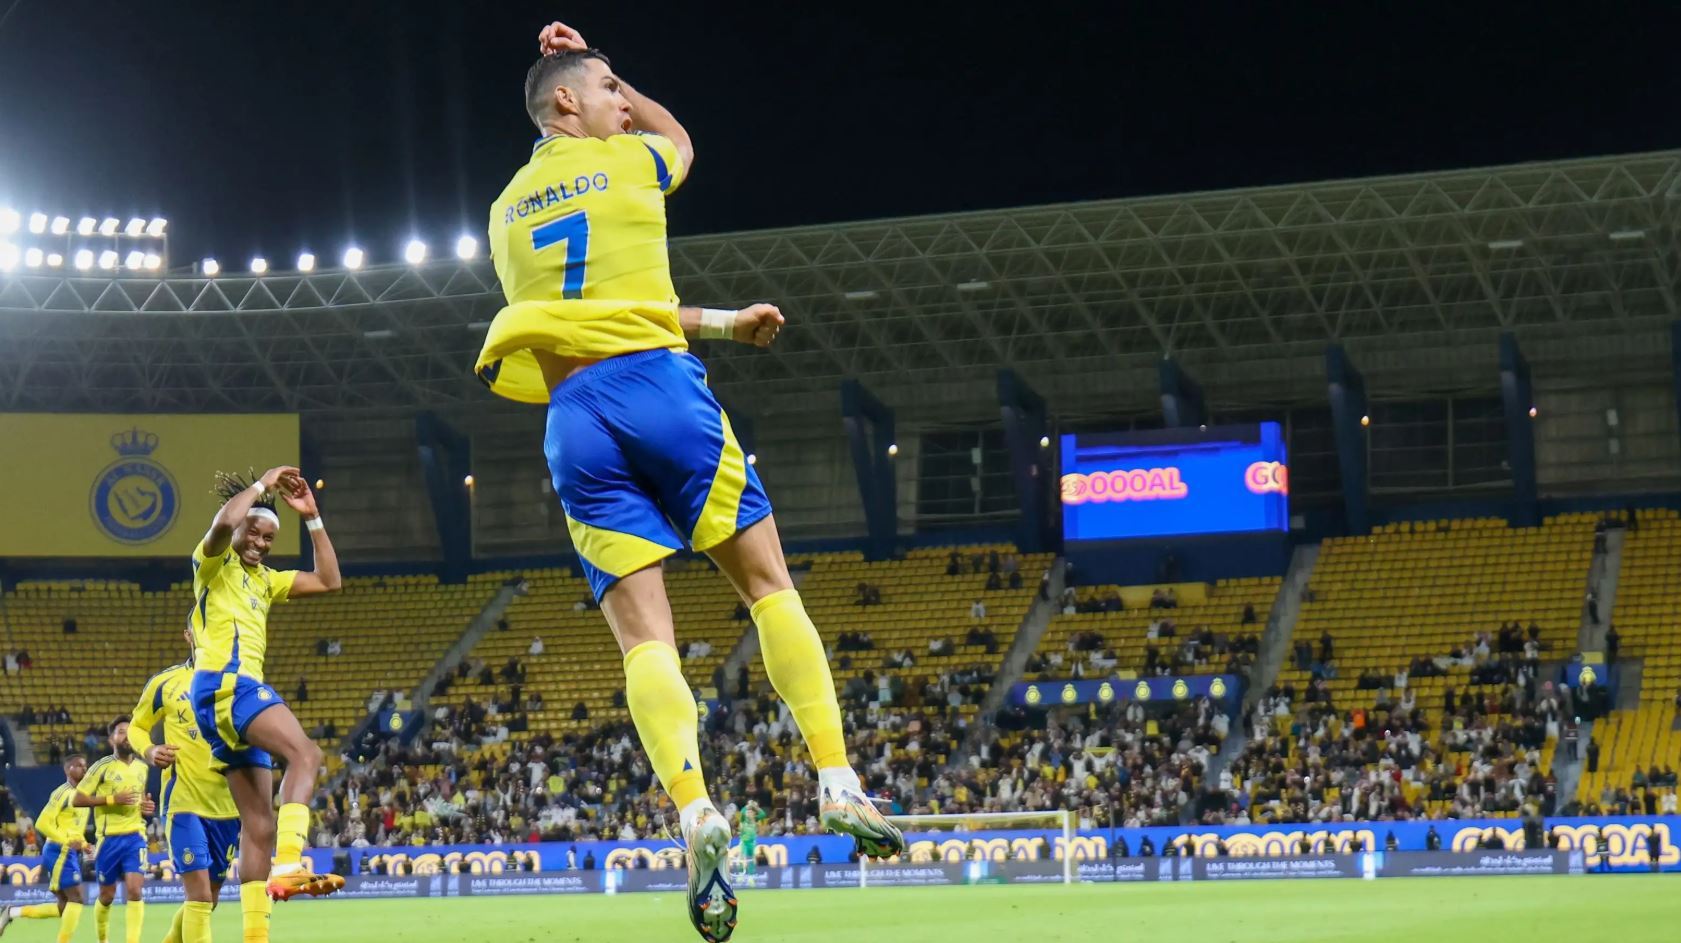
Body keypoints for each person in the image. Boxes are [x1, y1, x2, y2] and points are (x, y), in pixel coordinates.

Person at [472, 21, 901, 941]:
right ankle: (836, 777)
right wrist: (613, 68)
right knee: (767, 584)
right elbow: (681, 142)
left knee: (645, 643)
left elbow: (587, 311)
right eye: (607, 92)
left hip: (573, 420)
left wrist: (719, 320)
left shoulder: (502, 214)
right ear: (565, 101)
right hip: (659, 389)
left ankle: (695, 808)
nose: (622, 107)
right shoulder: (630, 161)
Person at [189, 466, 344, 924]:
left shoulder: (266, 580)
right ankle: (291, 864)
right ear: (240, 529)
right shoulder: (213, 565)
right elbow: (222, 523)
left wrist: (312, 517)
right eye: (253, 532)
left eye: (268, 538)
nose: (259, 543)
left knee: (259, 827)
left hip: (226, 702)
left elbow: (329, 580)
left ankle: (255, 932)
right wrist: (264, 484)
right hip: (227, 685)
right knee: (306, 754)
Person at [129, 636, 242, 943]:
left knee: (210, 898)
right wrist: (150, 750)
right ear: (189, 635)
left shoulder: (238, 680)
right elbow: (136, 727)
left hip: (228, 807)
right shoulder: (166, 683)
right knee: (200, 897)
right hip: (184, 803)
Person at [70, 720, 155, 943]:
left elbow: (140, 800)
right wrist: (112, 799)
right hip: (108, 840)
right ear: (111, 740)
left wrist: (146, 808)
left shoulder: (142, 767)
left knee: (135, 891)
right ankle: (103, 939)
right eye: (121, 732)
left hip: (135, 837)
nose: (126, 736)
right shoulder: (101, 767)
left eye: (129, 732)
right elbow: (77, 799)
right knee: (107, 896)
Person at [0, 755, 90, 943]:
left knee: (64, 906)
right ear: (69, 770)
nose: (85, 769)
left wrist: (84, 844)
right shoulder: (62, 793)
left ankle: (12, 912)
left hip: (68, 852)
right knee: (77, 899)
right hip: (58, 851)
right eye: (80, 766)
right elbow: (41, 823)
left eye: (85, 766)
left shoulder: (84, 797)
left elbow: (73, 828)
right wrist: (66, 841)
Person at [737, 801, 764, 876]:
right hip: (743, 842)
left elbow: (763, 814)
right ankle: (740, 873)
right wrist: (748, 805)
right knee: (742, 857)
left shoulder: (755, 819)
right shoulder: (743, 820)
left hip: (752, 842)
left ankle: (751, 874)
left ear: (754, 814)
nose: (749, 813)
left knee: (751, 858)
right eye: (748, 812)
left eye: (751, 812)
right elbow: (742, 812)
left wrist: (756, 807)